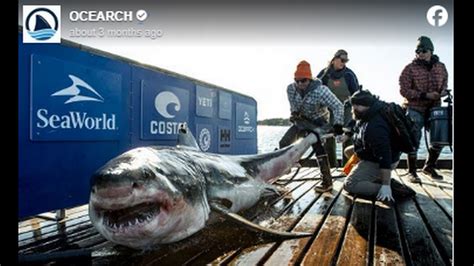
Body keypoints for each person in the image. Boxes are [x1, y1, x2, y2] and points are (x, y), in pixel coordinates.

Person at [279, 60, 345, 192]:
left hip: (318, 122)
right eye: (297, 80)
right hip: (301, 120)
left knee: (318, 147)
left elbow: (338, 106)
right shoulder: (291, 89)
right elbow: (293, 106)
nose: (299, 84)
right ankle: (282, 170)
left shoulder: (321, 91)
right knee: (284, 142)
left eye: (303, 80)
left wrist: (338, 125)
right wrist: (294, 113)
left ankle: (327, 182)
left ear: (309, 79)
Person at [343, 90, 415, 201]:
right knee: (348, 151)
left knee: (350, 184)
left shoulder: (375, 127)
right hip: (371, 151)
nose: (354, 108)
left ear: (366, 105)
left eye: (357, 105)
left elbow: (384, 156)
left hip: (383, 159)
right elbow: (356, 123)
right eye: (353, 105)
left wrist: (385, 186)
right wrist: (347, 134)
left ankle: (390, 187)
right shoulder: (371, 110)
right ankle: (375, 177)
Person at [399, 36, 449, 181]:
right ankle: (412, 171)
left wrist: (443, 92)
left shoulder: (441, 67)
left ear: (431, 51)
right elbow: (404, 91)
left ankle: (429, 167)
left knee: (440, 138)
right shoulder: (409, 69)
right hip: (415, 107)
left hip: (435, 108)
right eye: (418, 51)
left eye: (424, 50)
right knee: (414, 137)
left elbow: (444, 85)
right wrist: (425, 95)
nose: (420, 53)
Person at [317, 49, 359, 167]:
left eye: (346, 60)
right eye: (342, 60)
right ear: (334, 59)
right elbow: (315, 89)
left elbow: (356, 94)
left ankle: (348, 167)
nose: (344, 62)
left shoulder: (349, 74)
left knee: (347, 137)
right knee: (329, 137)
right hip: (329, 109)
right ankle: (331, 166)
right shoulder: (324, 74)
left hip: (347, 108)